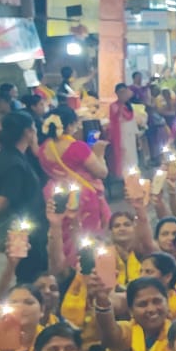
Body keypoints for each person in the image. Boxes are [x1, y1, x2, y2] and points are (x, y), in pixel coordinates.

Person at [39, 107, 111, 252]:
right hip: (82, 196)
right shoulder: (78, 147)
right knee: (87, 235)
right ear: (70, 125)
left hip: (57, 196)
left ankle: (66, 265)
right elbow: (101, 173)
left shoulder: (44, 148)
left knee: (64, 233)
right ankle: (87, 265)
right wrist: (99, 154)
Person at [0, 111, 49, 281]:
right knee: (30, 276)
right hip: (26, 232)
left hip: (29, 228)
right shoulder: (14, 164)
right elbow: (2, 202)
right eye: (33, 128)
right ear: (27, 132)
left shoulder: (13, 156)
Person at [92, 277, 171, 351]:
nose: (151, 309)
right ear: (130, 311)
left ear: (167, 302)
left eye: (157, 301)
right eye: (143, 304)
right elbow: (110, 335)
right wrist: (103, 302)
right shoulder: (127, 330)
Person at [108, 83, 138, 178]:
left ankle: (133, 175)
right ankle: (125, 177)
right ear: (116, 93)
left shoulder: (129, 106)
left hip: (130, 135)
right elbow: (116, 117)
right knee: (124, 155)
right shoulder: (114, 106)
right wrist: (121, 103)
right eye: (120, 92)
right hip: (121, 135)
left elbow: (132, 121)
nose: (122, 94)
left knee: (132, 155)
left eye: (124, 92)